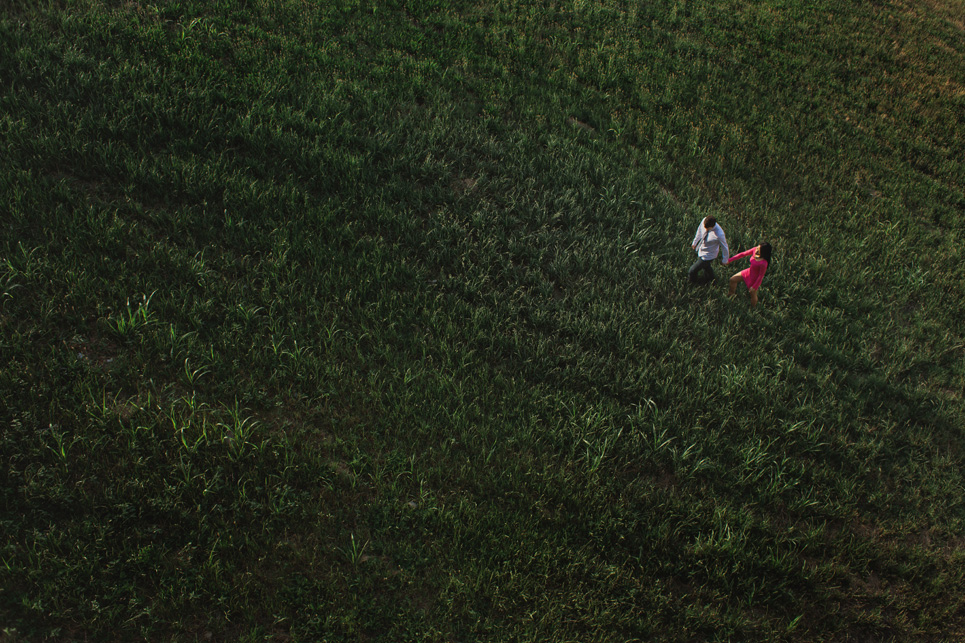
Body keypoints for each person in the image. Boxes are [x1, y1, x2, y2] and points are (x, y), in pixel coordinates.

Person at [727, 243, 772, 307]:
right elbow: (743, 254)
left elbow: (760, 276)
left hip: (754, 279)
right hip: (748, 272)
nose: (756, 250)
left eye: (759, 250)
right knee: (732, 279)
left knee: (752, 294)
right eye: (757, 248)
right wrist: (730, 260)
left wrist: (754, 286)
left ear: (763, 252)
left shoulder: (764, 263)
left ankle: (753, 308)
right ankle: (731, 295)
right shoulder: (754, 250)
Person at [689, 216, 729, 285]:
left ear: (712, 226)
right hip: (701, 249)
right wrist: (695, 242)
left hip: (709, 255)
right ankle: (712, 280)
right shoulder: (704, 220)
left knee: (692, 270)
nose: (705, 229)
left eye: (707, 228)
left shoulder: (719, 234)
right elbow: (699, 231)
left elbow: (724, 247)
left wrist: (725, 260)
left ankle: (692, 283)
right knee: (706, 267)